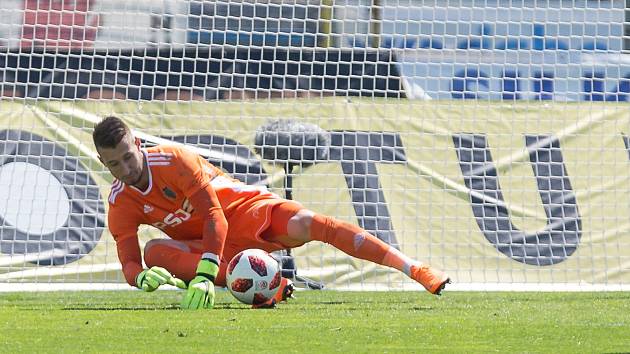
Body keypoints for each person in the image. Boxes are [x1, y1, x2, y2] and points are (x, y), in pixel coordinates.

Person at [93, 116, 450, 310]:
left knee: (313, 224)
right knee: (154, 252)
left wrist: (202, 274)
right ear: (102, 162)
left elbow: (215, 215)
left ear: (138, 145)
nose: (125, 168)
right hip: (217, 248)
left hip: (249, 211)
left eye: (128, 156)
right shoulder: (120, 202)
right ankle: (269, 289)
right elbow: (129, 259)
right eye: (114, 164)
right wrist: (139, 277)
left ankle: (415, 269)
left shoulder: (173, 160)